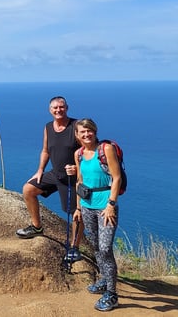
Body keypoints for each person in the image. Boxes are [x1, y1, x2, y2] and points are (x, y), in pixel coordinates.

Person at [16, 96, 83, 262]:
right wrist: (40, 170)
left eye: (61, 107)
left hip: (74, 178)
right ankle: (37, 227)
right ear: (50, 110)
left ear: (67, 107)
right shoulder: (48, 127)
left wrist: (77, 168)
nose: (58, 110)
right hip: (55, 173)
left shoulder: (76, 126)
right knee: (28, 189)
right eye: (55, 108)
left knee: (75, 213)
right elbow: (45, 150)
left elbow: (88, 150)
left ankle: (75, 248)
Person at [72, 118, 122, 312]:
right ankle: (103, 278)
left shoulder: (106, 149)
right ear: (77, 135)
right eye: (82, 132)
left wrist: (111, 204)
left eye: (89, 131)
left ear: (95, 131)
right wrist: (78, 208)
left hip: (105, 208)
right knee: (95, 246)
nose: (86, 135)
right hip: (86, 206)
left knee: (105, 248)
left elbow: (116, 178)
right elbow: (79, 182)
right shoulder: (78, 154)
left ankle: (111, 293)